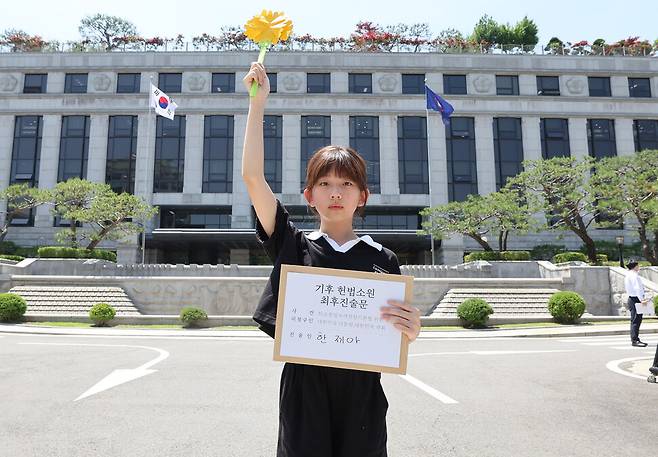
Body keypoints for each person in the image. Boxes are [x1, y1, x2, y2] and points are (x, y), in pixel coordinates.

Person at [241, 62, 421, 457]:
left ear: (363, 197)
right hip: (305, 393)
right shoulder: (294, 246)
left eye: (346, 184)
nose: (335, 193)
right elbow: (253, 178)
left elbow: (395, 334)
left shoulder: (383, 259)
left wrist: (410, 328)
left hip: (363, 396)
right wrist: (258, 104)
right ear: (309, 196)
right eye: (324, 184)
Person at [624, 260, 648, 347]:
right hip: (635, 299)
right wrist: (642, 299)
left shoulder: (628, 275)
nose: (639, 267)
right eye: (638, 265)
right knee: (636, 320)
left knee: (636, 320)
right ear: (635, 266)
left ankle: (636, 339)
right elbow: (637, 288)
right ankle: (635, 340)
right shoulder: (634, 275)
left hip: (633, 299)